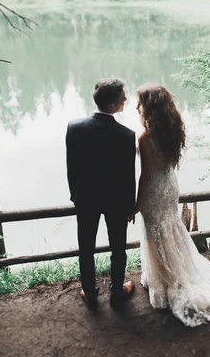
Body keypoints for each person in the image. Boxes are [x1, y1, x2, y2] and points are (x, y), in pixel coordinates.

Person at [130, 83, 210, 327]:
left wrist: (136, 204)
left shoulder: (145, 137)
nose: (136, 107)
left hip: (154, 192)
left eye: (140, 103)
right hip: (171, 186)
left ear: (149, 108)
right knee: (171, 230)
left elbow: (145, 176)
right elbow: (167, 165)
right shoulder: (170, 129)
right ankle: (169, 275)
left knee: (156, 234)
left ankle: (165, 284)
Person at [66, 78, 136, 311]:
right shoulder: (126, 135)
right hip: (116, 201)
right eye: (122, 98)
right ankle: (117, 292)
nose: (126, 99)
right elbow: (128, 176)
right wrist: (129, 206)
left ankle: (89, 291)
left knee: (85, 247)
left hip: (85, 199)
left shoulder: (74, 127)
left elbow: (72, 168)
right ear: (111, 106)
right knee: (118, 248)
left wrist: (75, 195)